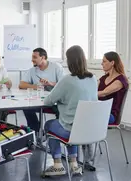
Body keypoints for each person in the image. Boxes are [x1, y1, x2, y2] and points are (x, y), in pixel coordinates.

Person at [43, 45, 97, 176]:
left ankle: (57, 165)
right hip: (91, 130)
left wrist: (61, 101)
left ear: (70, 61)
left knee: (50, 125)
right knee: (71, 124)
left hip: (72, 130)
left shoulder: (67, 80)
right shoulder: (93, 78)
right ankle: (74, 164)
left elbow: (48, 101)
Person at [19, 48, 64, 132]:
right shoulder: (32, 70)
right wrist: (35, 86)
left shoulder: (56, 67)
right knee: (26, 107)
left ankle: (57, 132)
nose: (32, 60)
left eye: (34, 57)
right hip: (38, 101)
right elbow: (21, 84)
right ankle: (35, 130)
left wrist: (50, 83)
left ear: (42, 58)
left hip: (54, 102)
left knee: (61, 110)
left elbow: (63, 85)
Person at [98, 51, 129, 124]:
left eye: (104, 61)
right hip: (98, 110)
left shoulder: (120, 80)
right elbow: (93, 89)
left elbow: (104, 93)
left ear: (112, 63)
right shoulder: (103, 78)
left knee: (84, 116)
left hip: (110, 115)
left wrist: (87, 94)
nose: (102, 64)